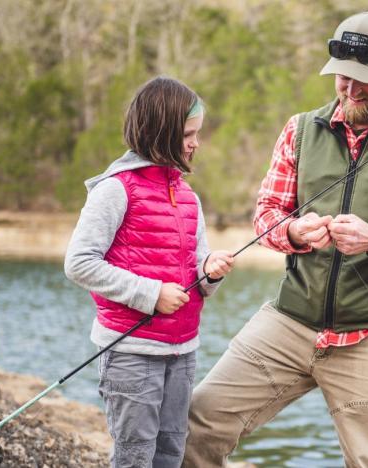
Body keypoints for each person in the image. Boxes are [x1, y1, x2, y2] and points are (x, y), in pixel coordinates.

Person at [182, 10, 368, 468]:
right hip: (290, 320)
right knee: (197, 423)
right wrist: (293, 231)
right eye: (342, 78)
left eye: (364, 80)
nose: (351, 90)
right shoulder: (298, 130)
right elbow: (265, 217)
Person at [64, 76, 234, 468]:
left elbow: (197, 275)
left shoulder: (189, 196)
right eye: (188, 134)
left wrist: (210, 272)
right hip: (131, 354)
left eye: (198, 133)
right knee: (135, 458)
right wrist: (151, 293)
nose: (196, 143)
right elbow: (79, 262)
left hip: (183, 353)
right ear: (161, 132)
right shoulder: (116, 189)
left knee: (171, 454)